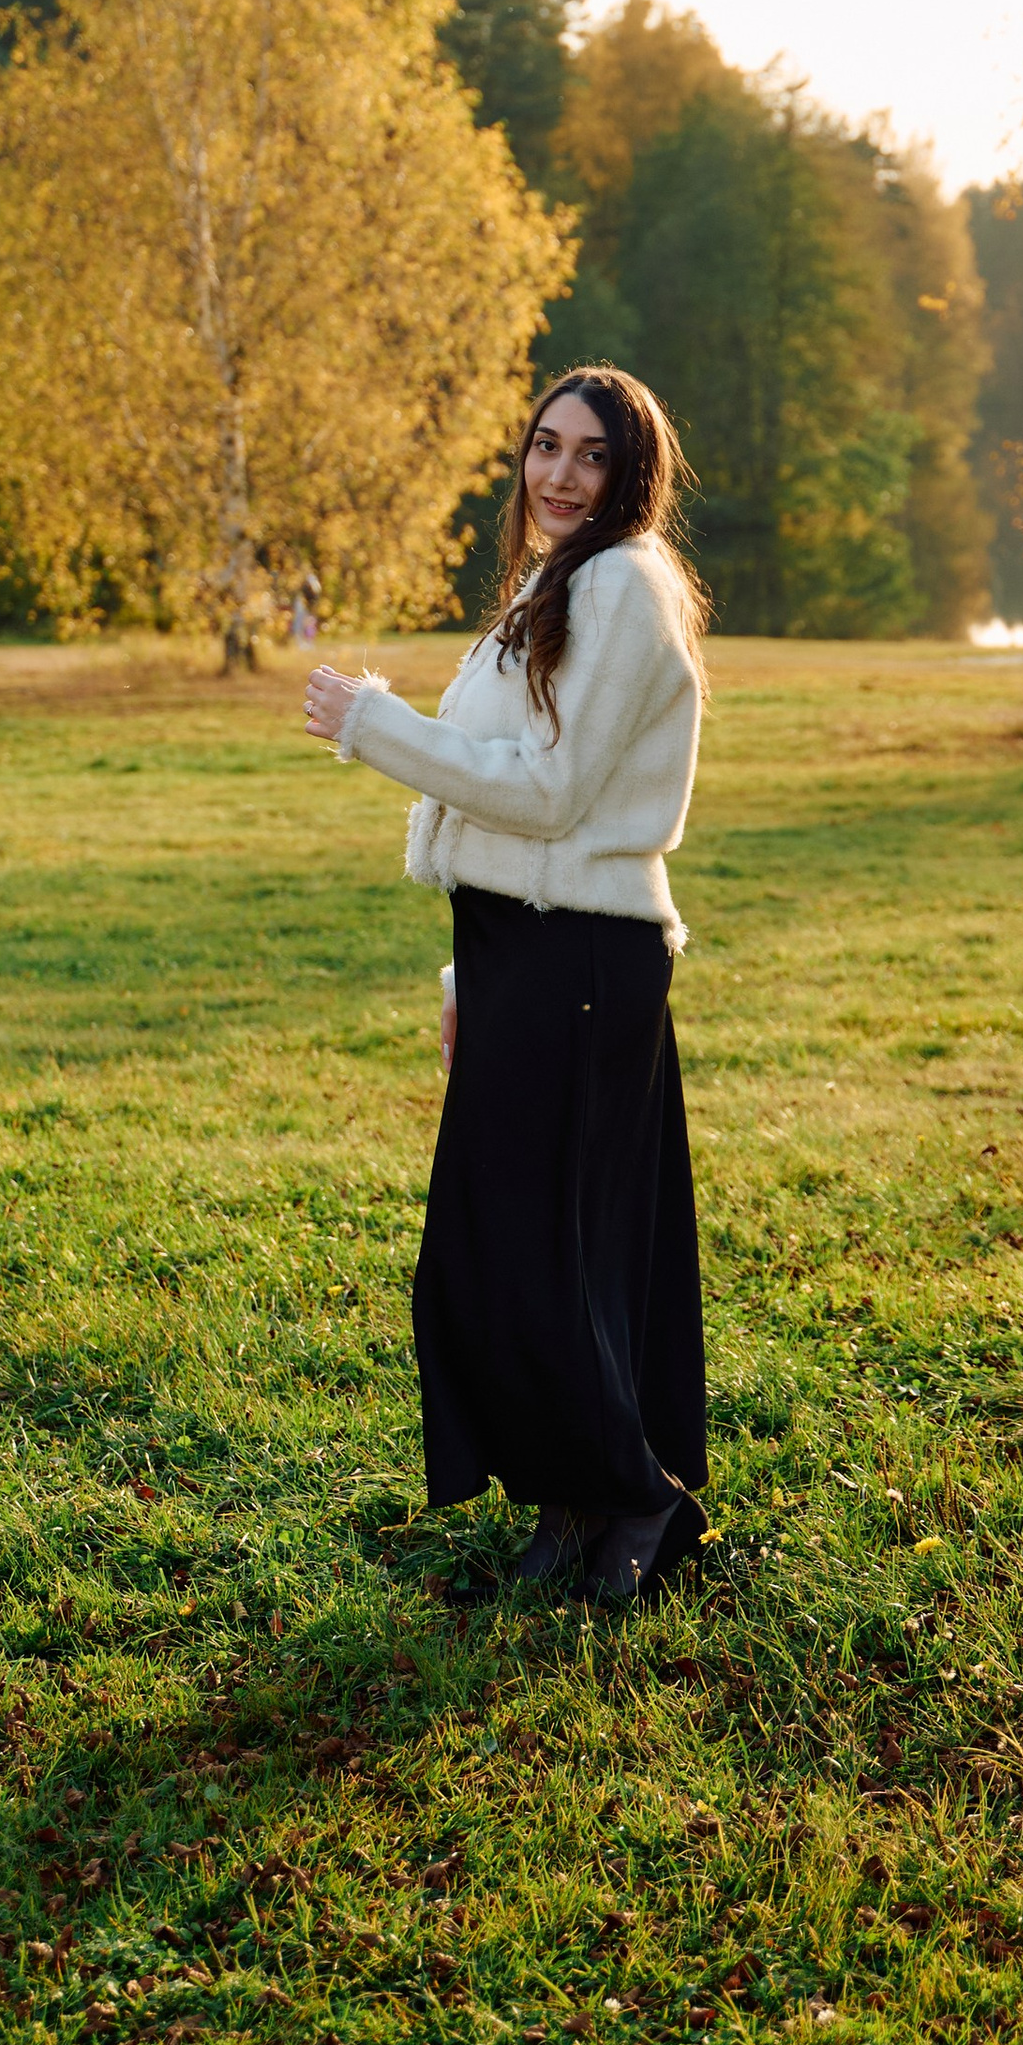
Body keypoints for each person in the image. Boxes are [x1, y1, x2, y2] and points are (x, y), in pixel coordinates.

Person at [302, 365, 710, 1605]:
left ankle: (634, 1495)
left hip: (581, 956)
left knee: (536, 1252)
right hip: (530, 947)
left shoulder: (624, 587)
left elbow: (548, 795)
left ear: (631, 475)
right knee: (520, 1250)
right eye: (544, 448)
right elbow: (518, 791)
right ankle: (577, 1499)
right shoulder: (557, 585)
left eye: (591, 456)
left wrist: (370, 723)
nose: (559, 475)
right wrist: (465, 968)